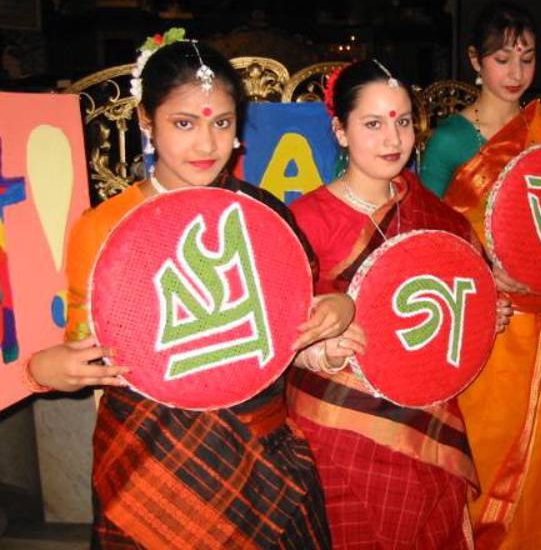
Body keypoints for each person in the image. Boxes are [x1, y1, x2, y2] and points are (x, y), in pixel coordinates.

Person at [24, 33, 356, 548]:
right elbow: (75, 350)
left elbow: (292, 331)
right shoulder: (105, 228)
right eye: (184, 123)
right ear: (145, 120)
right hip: (150, 466)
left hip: (260, 466)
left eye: (221, 123)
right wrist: (46, 369)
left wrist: (338, 307)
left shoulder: (264, 215)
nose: (206, 145)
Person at [285, 59, 512, 549]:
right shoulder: (305, 220)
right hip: (339, 430)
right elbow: (276, 330)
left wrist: (481, 315)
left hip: (426, 420)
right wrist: (315, 351)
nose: (393, 139)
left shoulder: (437, 216)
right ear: (340, 131)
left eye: (403, 121)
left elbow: (460, 297)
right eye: (373, 124)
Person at [422, 1, 541, 549]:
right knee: (485, 440)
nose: (516, 72)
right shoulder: (451, 140)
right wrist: (485, 270)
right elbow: (425, 231)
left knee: (539, 446)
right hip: (478, 313)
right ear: (475, 60)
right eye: (502, 58)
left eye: (527, 57)